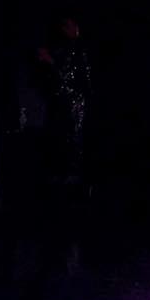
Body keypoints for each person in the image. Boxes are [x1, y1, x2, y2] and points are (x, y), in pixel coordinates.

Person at [36, 15, 92, 185]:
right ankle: (65, 176)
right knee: (64, 138)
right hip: (66, 102)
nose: (63, 30)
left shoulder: (79, 48)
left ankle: (72, 178)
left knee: (73, 138)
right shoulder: (69, 48)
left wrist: (50, 61)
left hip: (74, 102)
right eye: (62, 26)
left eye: (66, 25)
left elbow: (71, 77)